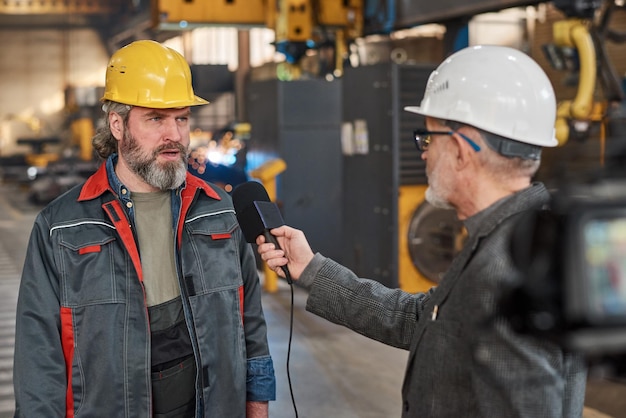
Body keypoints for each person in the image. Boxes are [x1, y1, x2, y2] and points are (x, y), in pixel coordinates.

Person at [257, 45, 587, 417]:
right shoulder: (513, 237)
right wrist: (312, 270)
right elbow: (421, 319)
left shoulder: (506, 269)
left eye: (428, 139)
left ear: (461, 150)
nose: (424, 154)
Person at [13, 40, 275, 418]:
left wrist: (256, 404)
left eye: (182, 118)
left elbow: (248, 321)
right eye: (156, 118)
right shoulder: (62, 226)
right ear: (117, 124)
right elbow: (39, 355)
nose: (175, 135)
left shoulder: (217, 212)